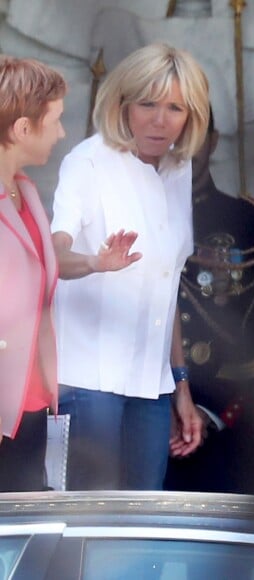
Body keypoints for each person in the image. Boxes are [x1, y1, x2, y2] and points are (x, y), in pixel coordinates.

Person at [51, 43, 209, 490]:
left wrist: (180, 386)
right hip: (88, 380)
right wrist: (95, 262)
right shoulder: (87, 162)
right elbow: (52, 255)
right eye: (148, 104)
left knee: (143, 520)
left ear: (191, 116)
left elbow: (168, 287)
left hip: (152, 386)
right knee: (90, 521)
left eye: (176, 107)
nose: (161, 119)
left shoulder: (179, 169)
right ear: (123, 105)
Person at [164, 109, 254, 493]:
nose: (181, 145)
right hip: (136, 412)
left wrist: (205, 411)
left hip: (216, 426)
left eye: (194, 133)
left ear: (214, 141)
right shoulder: (121, 217)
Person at [0, 56, 66, 491]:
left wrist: (99, 263)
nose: (61, 133)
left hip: (32, 405)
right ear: (23, 129)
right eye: (56, 120)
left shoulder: (26, 192)